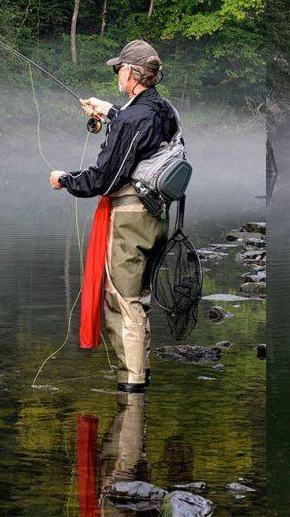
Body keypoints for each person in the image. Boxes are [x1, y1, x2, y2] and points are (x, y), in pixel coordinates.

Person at [49, 39, 179, 393]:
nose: (116, 74)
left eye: (119, 68)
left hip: (131, 218)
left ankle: (132, 390)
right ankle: (139, 378)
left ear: (132, 73)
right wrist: (109, 113)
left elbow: (106, 178)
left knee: (123, 300)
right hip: (157, 217)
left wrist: (65, 180)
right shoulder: (163, 110)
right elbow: (141, 136)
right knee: (138, 296)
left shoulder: (135, 117)